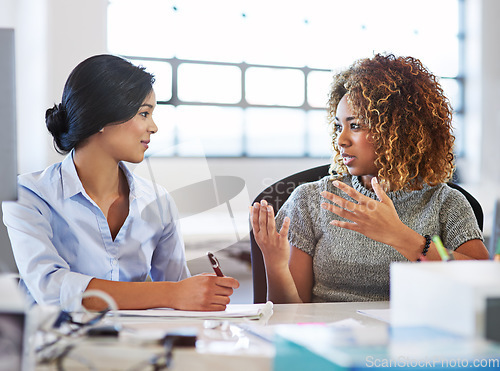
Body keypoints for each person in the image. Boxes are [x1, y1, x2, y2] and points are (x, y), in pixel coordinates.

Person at [2, 54, 239, 312]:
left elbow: (177, 293)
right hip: (55, 346)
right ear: (102, 117)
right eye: (144, 113)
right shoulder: (29, 194)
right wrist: (171, 293)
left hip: (139, 346)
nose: (154, 127)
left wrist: (198, 294)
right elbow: (51, 288)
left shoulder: (157, 201)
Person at [251, 53, 489, 304]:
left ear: (398, 129)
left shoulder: (445, 203)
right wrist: (275, 264)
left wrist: (403, 238)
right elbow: (290, 315)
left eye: (355, 126)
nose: (341, 139)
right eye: (338, 126)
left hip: (417, 338)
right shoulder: (310, 201)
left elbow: (483, 279)